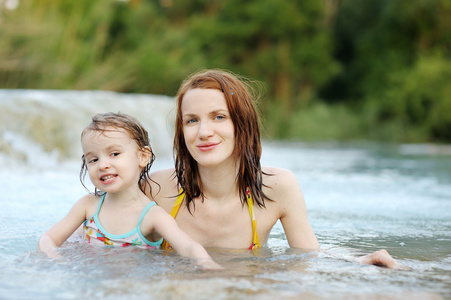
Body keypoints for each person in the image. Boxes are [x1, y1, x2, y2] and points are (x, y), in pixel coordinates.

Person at [147, 69, 403, 268]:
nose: (204, 132)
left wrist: (357, 262)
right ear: (181, 131)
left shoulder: (277, 187)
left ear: (242, 124)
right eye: (192, 120)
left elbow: (307, 255)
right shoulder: (156, 189)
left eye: (219, 117)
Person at [38, 112, 221, 269]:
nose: (103, 165)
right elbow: (48, 239)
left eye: (114, 154)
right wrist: (56, 261)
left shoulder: (152, 216)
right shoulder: (88, 206)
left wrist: (209, 266)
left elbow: (188, 247)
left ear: (143, 156)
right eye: (93, 159)